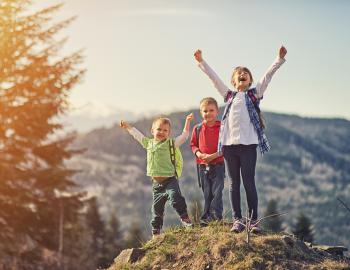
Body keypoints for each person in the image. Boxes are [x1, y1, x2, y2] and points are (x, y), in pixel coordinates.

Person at [194, 46, 287, 233]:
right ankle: (237, 219)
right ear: (233, 81)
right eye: (239, 73)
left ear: (250, 80)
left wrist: (278, 58)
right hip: (229, 148)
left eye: (246, 73)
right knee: (234, 184)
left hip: (248, 146)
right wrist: (201, 62)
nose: (242, 74)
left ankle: (253, 221)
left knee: (249, 182)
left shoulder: (254, 95)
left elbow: (267, 77)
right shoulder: (228, 96)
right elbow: (214, 79)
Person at [119, 113, 194, 237]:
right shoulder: (148, 143)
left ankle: (185, 219)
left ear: (168, 134)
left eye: (165, 130)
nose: (161, 132)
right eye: (159, 129)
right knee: (156, 209)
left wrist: (187, 121)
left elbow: (185, 136)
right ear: (152, 131)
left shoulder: (171, 144)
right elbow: (137, 135)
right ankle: (156, 232)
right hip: (157, 185)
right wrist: (128, 127)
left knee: (176, 198)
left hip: (170, 180)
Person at [190, 97, 225, 226]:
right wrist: (199, 154)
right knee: (207, 192)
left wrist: (213, 156)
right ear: (201, 112)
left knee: (217, 191)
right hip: (202, 166)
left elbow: (226, 146)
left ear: (217, 111)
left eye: (211, 110)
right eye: (205, 111)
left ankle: (216, 216)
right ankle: (206, 217)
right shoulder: (197, 129)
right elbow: (193, 144)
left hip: (218, 164)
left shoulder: (222, 127)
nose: (208, 113)